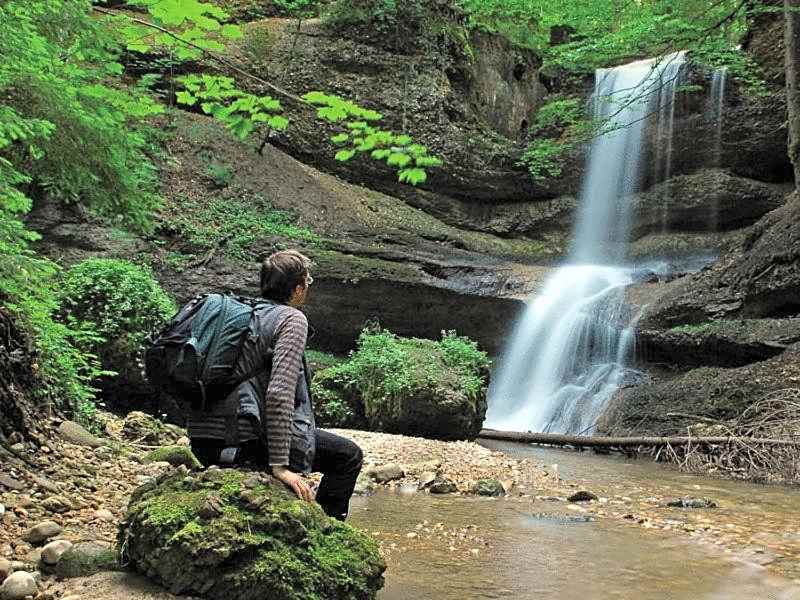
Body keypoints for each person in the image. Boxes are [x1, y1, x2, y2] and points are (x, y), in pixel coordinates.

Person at [188, 250, 363, 521]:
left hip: (202, 442)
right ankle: (328, 531)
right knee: (347, 456)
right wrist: (279, 467)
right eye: (307, 282)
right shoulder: (291, 319)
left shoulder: (245, 315)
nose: (307, 288)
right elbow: (280, 394)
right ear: (298, 288)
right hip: (241, 443)